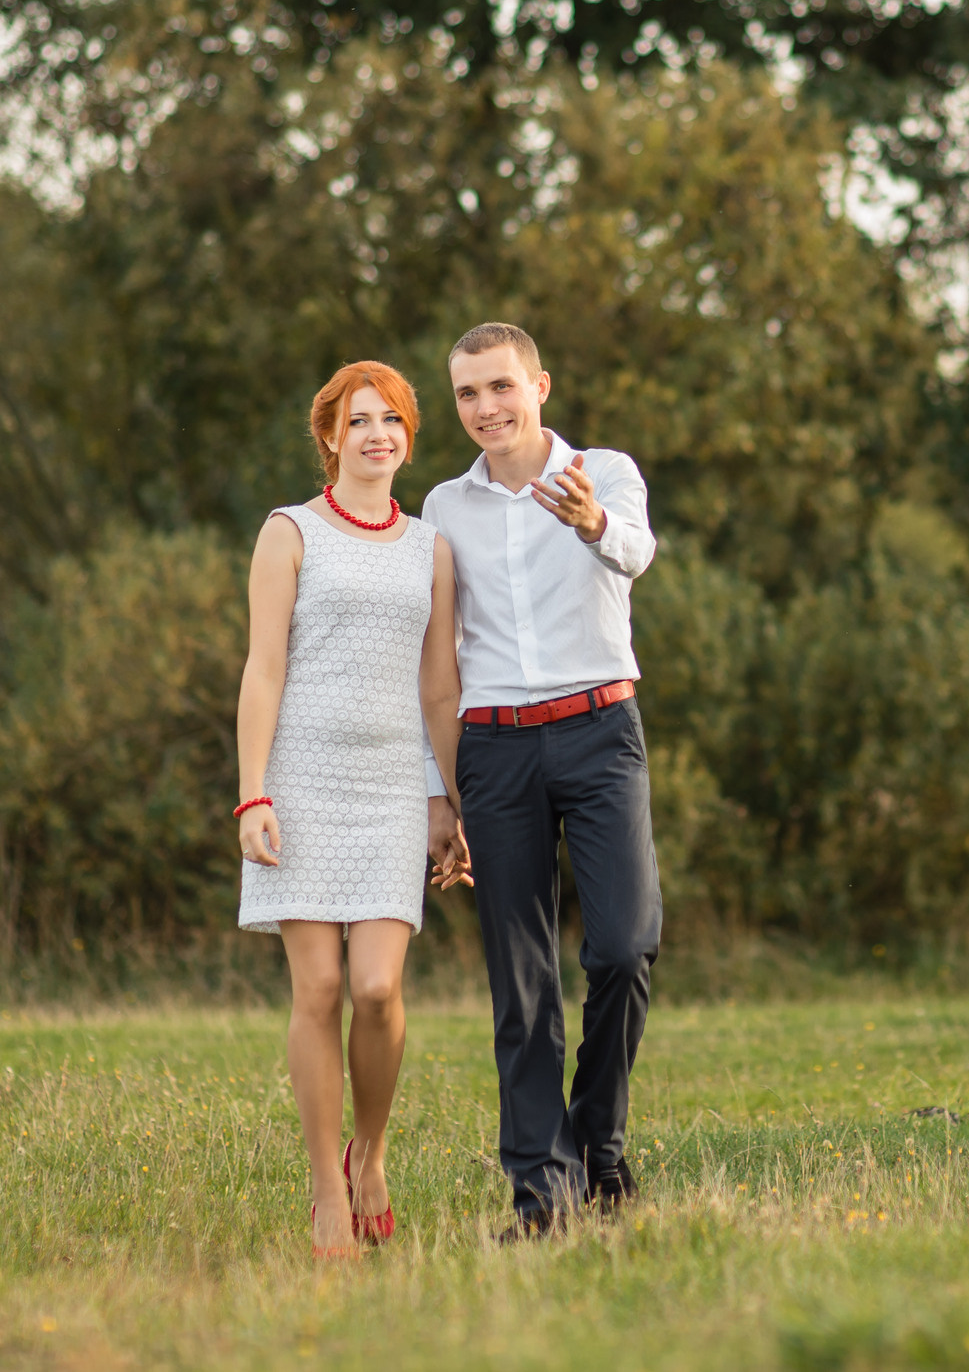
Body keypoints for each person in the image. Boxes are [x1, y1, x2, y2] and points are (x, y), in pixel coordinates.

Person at [421, 321, 661, 1239]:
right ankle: (544, 1199)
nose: (486, 407)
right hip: (496, 750)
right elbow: (434, 661)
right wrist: (439, 793)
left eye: (500, 387)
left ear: (540, 386)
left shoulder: (606, 471)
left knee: (624, 946)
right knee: (521, 990)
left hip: (601, 731)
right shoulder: (443, 508)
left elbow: (635, 550)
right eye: (468, 394)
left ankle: (598, 1139)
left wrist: (591, 519)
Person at [236, 360, 474, 1259]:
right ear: (330, 436)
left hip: (387, 791)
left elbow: (439, 685)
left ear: (409, 437)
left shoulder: (430, 548)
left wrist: (451, 801)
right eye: (360, 420)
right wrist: (252, 791)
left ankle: (367, 1153)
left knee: (377, 989)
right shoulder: (288, 532)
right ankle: (326, 1189)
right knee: (322, 987)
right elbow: (263, 669)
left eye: (394, 420)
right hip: (299, 779)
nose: (378, 433)